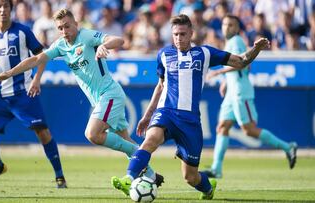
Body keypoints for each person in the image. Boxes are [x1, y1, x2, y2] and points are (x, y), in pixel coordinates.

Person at [0, 8, 164, 190]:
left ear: (76, 24)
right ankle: (152, 175)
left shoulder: (87, 36)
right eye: (60, 28)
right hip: (101, 99)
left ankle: (136, 157)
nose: (64, 31)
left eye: (67, 26)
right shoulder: (60, 45)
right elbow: (36, 59)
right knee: (125, 139)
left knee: (92, 134)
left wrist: (104, 45)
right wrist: (10, 73)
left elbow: (119, 40)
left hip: (110, 94)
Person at [110, 14, 270, 200]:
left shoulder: (205, 53)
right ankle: (129, 178)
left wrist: (256, 49)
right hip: (166, 112)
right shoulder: (164, 54)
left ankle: (208, 188)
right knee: (150, 140)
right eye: (175, 34)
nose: (179, 38)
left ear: (191, 33)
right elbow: (161, 85)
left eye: (183, 34)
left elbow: (241, 62)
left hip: (190, 121)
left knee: (190, 176)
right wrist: (148, 115)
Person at [0, 0, 67, 188]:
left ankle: (60, 176)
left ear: (11, 9)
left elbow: (41, 56)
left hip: (23, 93)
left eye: (6, 6)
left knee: (43, 133)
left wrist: (36, 79)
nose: (3, 10)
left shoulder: (23, 31)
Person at [204, 15, 297, 178]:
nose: (226, 27)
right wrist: (226, 81)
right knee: (222, 127)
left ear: (237, 28)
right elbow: (240, 66)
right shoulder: (230, 42)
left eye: (231, 25)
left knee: (249, 130)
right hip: (232, 92)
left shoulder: (237, 41)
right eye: (225, 24)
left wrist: (219, 72)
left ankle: (287, 147)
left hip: (240, 92)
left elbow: (243, 62)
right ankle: (216, 169)